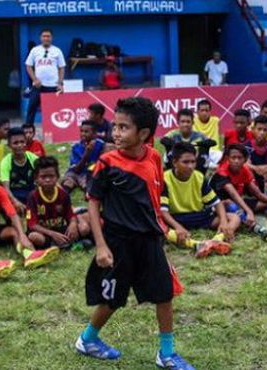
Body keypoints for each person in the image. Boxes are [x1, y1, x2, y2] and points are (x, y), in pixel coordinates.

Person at [74, 97, 192, 369]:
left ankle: (167, 354)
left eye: (123, 127)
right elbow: (93, 202)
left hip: (150, 241)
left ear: (144, 134)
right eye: (115, 126)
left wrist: (164, 226)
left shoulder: (153, 157)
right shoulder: (106, 163)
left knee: (164, 294)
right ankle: (87, 339)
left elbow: (154, 196)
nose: (115, 133)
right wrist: (101, 246)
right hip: (118, 243)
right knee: (112, 299)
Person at [160, 142, 234, 258]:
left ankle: (216, 240)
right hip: (175, 219)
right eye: (185, 162)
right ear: (174, 162)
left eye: (193, 162)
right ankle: (196, 244)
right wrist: (178, 227)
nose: (190, 166)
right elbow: (163, 211)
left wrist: (224, 222)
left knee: (233, 217)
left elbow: (217, 203)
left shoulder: (199, 177)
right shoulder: (164, 179)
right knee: (158, 227)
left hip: (198, 215)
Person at [210, 144, 267, 231]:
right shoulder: (222, 171)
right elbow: (233, 194)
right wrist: (249, 211)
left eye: (239, 158)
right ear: (228, 158)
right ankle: (254, 228)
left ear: (245, 160)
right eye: (233, 158)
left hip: (237, 202)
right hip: (218, 206)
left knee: (265, 203)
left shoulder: (245, 170)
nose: (236, 161)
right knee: (230, 203)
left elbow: (257, 193)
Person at [25, 156, 92, 249]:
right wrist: (52, 234)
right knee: (34, 237)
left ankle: (63, 245)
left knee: (83, 228)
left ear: (57, 177)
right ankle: (66, 245)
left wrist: (72, 224)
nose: (47, 180)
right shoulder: (32, 197)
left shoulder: (63, 194)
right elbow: (32, 224)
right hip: (44, 232)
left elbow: (70, 215)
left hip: (60, 230)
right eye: (43, 177)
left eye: (51, 176)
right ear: (36, 178)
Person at [24, 29, 66, 124]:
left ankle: (53, 131)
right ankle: (28, 130)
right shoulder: (35, 50)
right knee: (31, 108)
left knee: (53, 110)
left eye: (48, 36)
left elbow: (62, 68)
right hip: (38, 86)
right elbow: (28, 66)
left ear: (52, 38)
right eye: (44, 36)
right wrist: (35, 79)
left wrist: (60, 83)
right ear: (40, 38)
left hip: (53, 86)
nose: (46, 38)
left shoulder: (57, 51)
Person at [0, 127, 39, 214]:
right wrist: (15, 202)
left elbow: (43, 177)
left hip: (30, 194)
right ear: (9, 145)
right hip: (14, 195)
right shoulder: (6, 162)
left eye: (22, 142)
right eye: (15, 143)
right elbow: (6, 188)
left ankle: (29, 213)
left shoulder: (33, 158)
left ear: (26, 143)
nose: (19, 145)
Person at [61, 120, 105, 194]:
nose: (83, 134)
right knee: (68, 183)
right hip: (75, 173)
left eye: (86, 132)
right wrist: (86, 153)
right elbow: (76, 169)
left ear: (94, 133)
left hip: (90, 174)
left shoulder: (101, 145)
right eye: (81, 131)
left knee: (88, 185)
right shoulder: (76, 146)